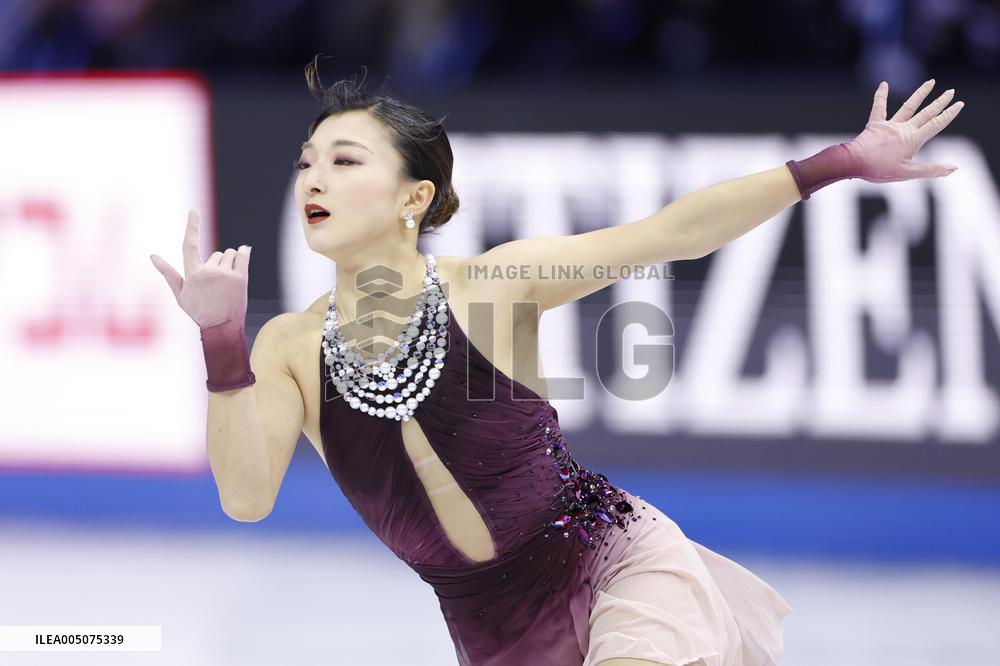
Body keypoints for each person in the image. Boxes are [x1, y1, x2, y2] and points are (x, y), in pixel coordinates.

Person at [150, 59, 964, 666]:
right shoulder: (286, 346)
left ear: (415, 198)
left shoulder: (496, 285)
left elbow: (671, 232)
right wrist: (220, 343)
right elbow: (247, 498)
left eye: (345, 159)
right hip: (494, 634)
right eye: (305, 162)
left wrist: (836, 164)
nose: (312, 178)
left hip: (616, 561)